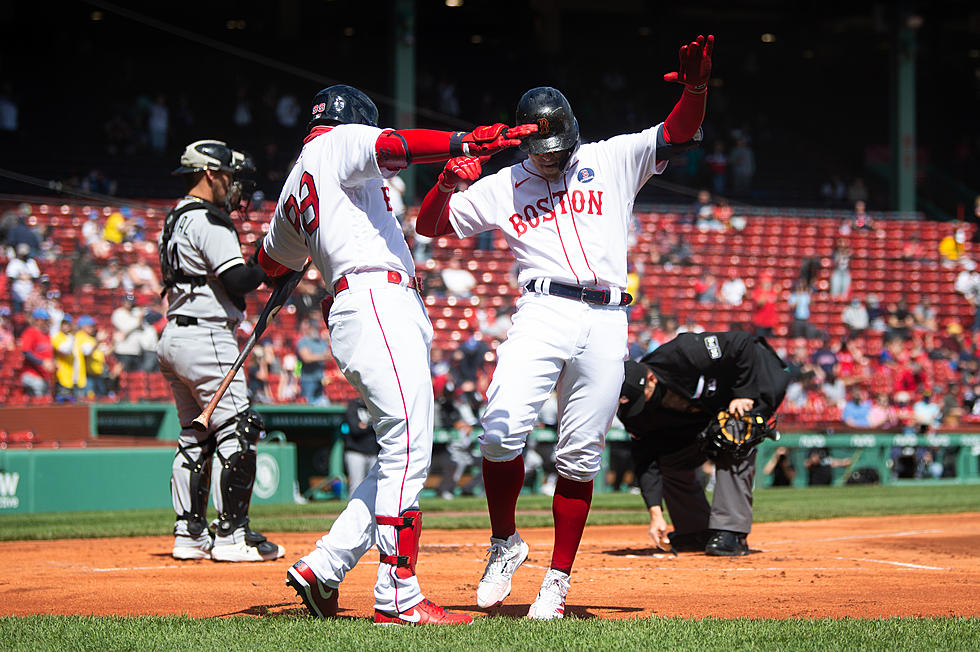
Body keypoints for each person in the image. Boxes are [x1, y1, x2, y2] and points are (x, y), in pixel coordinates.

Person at [413, 35, 714, 619]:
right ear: (523, 139)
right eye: (543, 147)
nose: (553, 155)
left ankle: (557, 577)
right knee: (499, 430)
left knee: (579, 458)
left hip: (606, 318)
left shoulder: (610, 158)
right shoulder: (504, 185)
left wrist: (697, 89)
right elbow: (431, 226)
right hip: (543, 310)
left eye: (559, 144)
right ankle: (505, 542)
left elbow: (677, 130)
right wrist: (447, 183)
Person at [257, 84, 533, 626]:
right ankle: (397, 593)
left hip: (357, 303)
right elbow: (393, 145)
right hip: (376, 300)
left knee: (396, 452)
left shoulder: (298, 176)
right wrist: (463, 140)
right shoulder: (337, 141)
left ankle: (324, 567)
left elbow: (269, 264)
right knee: (408, 447)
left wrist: (310, 249)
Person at [156, 139, 285, 563]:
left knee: (196, 433)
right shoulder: (209, 220)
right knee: (238, 427)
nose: (233, 185)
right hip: (207, 334)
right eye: (228, 176)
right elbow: (238, 281)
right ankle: (232, 534)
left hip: (175, 335)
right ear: (210, 173)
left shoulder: (175, 217)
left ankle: (189, 533)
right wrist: (270, 266)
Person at [617, 331, 790, 557]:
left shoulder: (683, 353)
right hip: (706, 414)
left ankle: (732, 532)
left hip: (754, 382)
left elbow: (741, 343)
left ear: (651, 378)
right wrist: (655, 513)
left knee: (733, 431)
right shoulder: (635, 413)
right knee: (670, 459)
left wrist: (744, 393)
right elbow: (646, 458)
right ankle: (695, 530)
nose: (641, 407)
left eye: (643, 398)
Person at [343, 398, 380, 494]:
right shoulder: (353, 406)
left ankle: (373, 509)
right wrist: (372, 425)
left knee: (375, 486)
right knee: (356, 485)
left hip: (374, 453)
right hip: (355, 452)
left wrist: (365, 425)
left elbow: (381, 428)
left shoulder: (377, 404)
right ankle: (354, 509)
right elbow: (355, 429)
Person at [296, 318, 329, 405]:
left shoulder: (321, 342)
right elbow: (306, 358)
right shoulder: (303, 341)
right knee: (307, 405)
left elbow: (329, 356)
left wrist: (314, 356)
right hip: (307, 380)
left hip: (320, 379)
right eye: (313, 328)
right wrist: (322, 356)